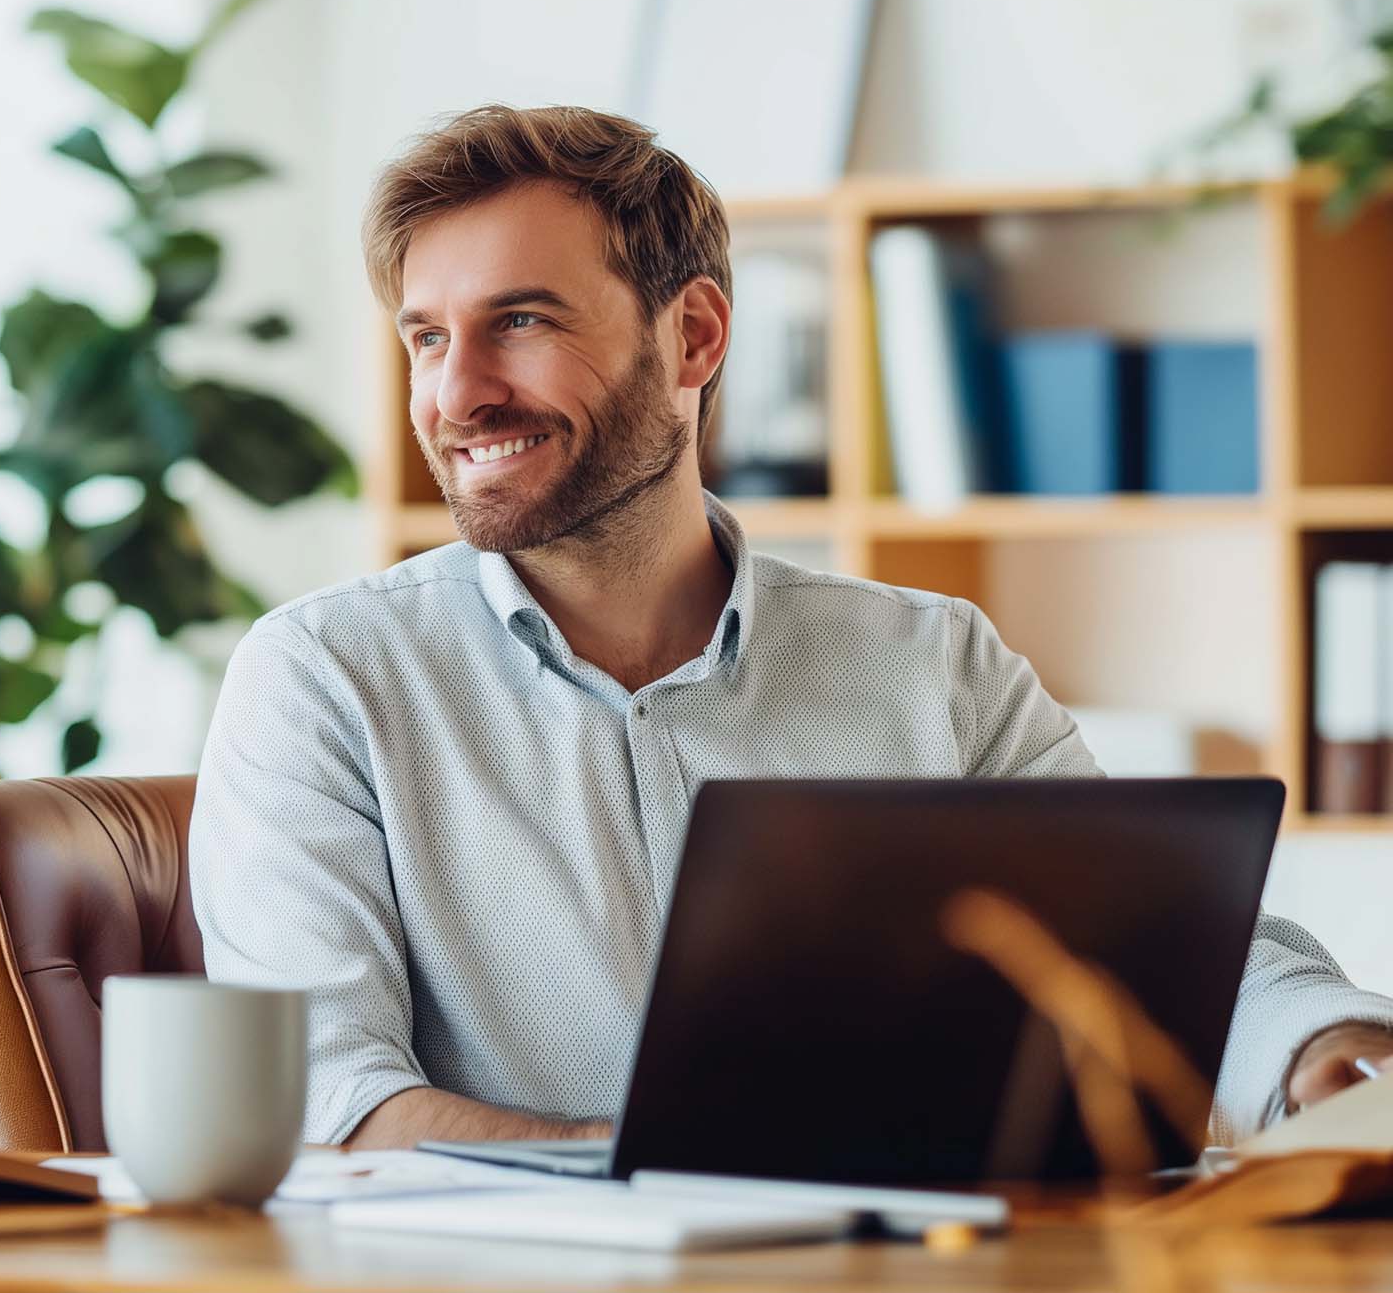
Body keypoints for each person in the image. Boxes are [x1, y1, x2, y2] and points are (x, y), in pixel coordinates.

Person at [188, 103, 1393, 1151]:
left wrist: (1317, 1047)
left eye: (521, 321)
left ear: (695, 337)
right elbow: (334, 1110)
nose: (455, 396)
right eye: (426, 337)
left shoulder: (932, 665)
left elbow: (1152, 946)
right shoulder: (323, 681)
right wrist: (716, 1160)